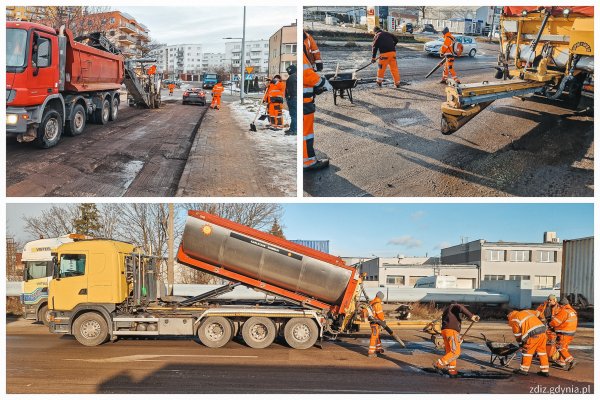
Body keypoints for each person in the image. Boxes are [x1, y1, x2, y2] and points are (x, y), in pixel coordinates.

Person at [433, 301, 480, 376]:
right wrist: (471, 316)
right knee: (455, 352)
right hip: (451, 332)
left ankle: (452, 371)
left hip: (446, 332)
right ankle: (439, 363)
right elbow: (459, 307)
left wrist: (457, 337)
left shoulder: (447, 311)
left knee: (450, 353)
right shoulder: (454, 306)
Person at [303, 52, 332, 171]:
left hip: (306, 99)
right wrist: (322, 82)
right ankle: (308, 161)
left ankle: (306, 159)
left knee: (305, 132)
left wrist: (314, 89)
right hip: (304, 103)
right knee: (306, 133)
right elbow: (306, 74)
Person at [507, 309, 550, 377]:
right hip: (542, 331)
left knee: (527, 352)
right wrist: (543, 321)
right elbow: (539, 313)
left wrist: (520, 343)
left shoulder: (514, 320)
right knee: (542, 352)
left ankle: (524, 370)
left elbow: (517, 335)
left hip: (533, 334)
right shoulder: (526, 311)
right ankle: (545, 371)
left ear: (509, 315)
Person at [549, 298, 578, 370]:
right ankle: (561, 362)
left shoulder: (564, 312)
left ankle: (571, 360)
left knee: (560, 347)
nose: (559, 306)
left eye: (560, 305)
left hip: (564, 333)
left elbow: (555, 322)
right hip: (571, 333)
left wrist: (550, 324)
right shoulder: (572, 311)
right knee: (564, 347)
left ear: (562, 305)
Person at [536, 294, 560, 359]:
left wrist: (553, 324)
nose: (549, 301)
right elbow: (537, 312)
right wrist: (540, 318)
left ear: (555, 300)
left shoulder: (558, 307)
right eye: (548, 300)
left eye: (550, 300)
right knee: (542, 338)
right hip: (543, 324)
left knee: (552, 339)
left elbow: (559, 318)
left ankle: (552, 353)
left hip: (553, 325)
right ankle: (540, 353)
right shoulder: (543, 305)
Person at [367, 291, 386, 357]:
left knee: (377, 335)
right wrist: (383, 321)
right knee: (374, 335)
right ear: (381, 297)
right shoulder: (378, 304)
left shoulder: (372, 302)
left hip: (373, 322)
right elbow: (380, 314)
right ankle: (371, 352)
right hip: (376, 322)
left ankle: (378, 349)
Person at [284, 64, 297, 136]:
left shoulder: (292, 77)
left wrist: (289, 97)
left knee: (294, 115)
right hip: (294, 98)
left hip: (293, 99)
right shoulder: (295, 76)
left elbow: (292, 89)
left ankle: (294, 130)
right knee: (294, 115)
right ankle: (292, 129)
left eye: (288, 70)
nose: (287, 72)